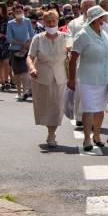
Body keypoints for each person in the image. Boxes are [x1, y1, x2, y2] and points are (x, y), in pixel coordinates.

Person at [68, 6, 108, 151]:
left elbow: (107, 51)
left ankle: (97, 135)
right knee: (88, 109)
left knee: (100, 109)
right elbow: (72, 58)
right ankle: (87, 139)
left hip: (103, 77)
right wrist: (71, 79)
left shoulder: (104, 32)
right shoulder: (83, 35)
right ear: (96, 19)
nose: (105, 19)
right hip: (87, 77)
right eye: (102, 16)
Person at [26, 10, 71, 148]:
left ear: (58, 21)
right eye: (48, 21)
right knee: (45, 107)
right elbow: (30, 57)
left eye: (54, 21)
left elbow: (72, 54)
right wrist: (32, 68)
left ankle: (52, 134)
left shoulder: (66, 37)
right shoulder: (38, 38)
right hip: (41, 77)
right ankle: (50, 130)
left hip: (61, 77)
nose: (51, 23)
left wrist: (71, 55)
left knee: (57, 106)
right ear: (43, 22)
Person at [7, 5, 35, 101]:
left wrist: (26, 44)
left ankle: (25, 91)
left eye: (20, 11)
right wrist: (21, 43)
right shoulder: (10, 23)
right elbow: (9, 38)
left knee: (25, 71)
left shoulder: (27, 21)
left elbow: (32, 34)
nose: (19, 13)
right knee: (17, 72)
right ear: (13, 13)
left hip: (27, 49)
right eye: (17, 11)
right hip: (15, 50)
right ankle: (18, 92)